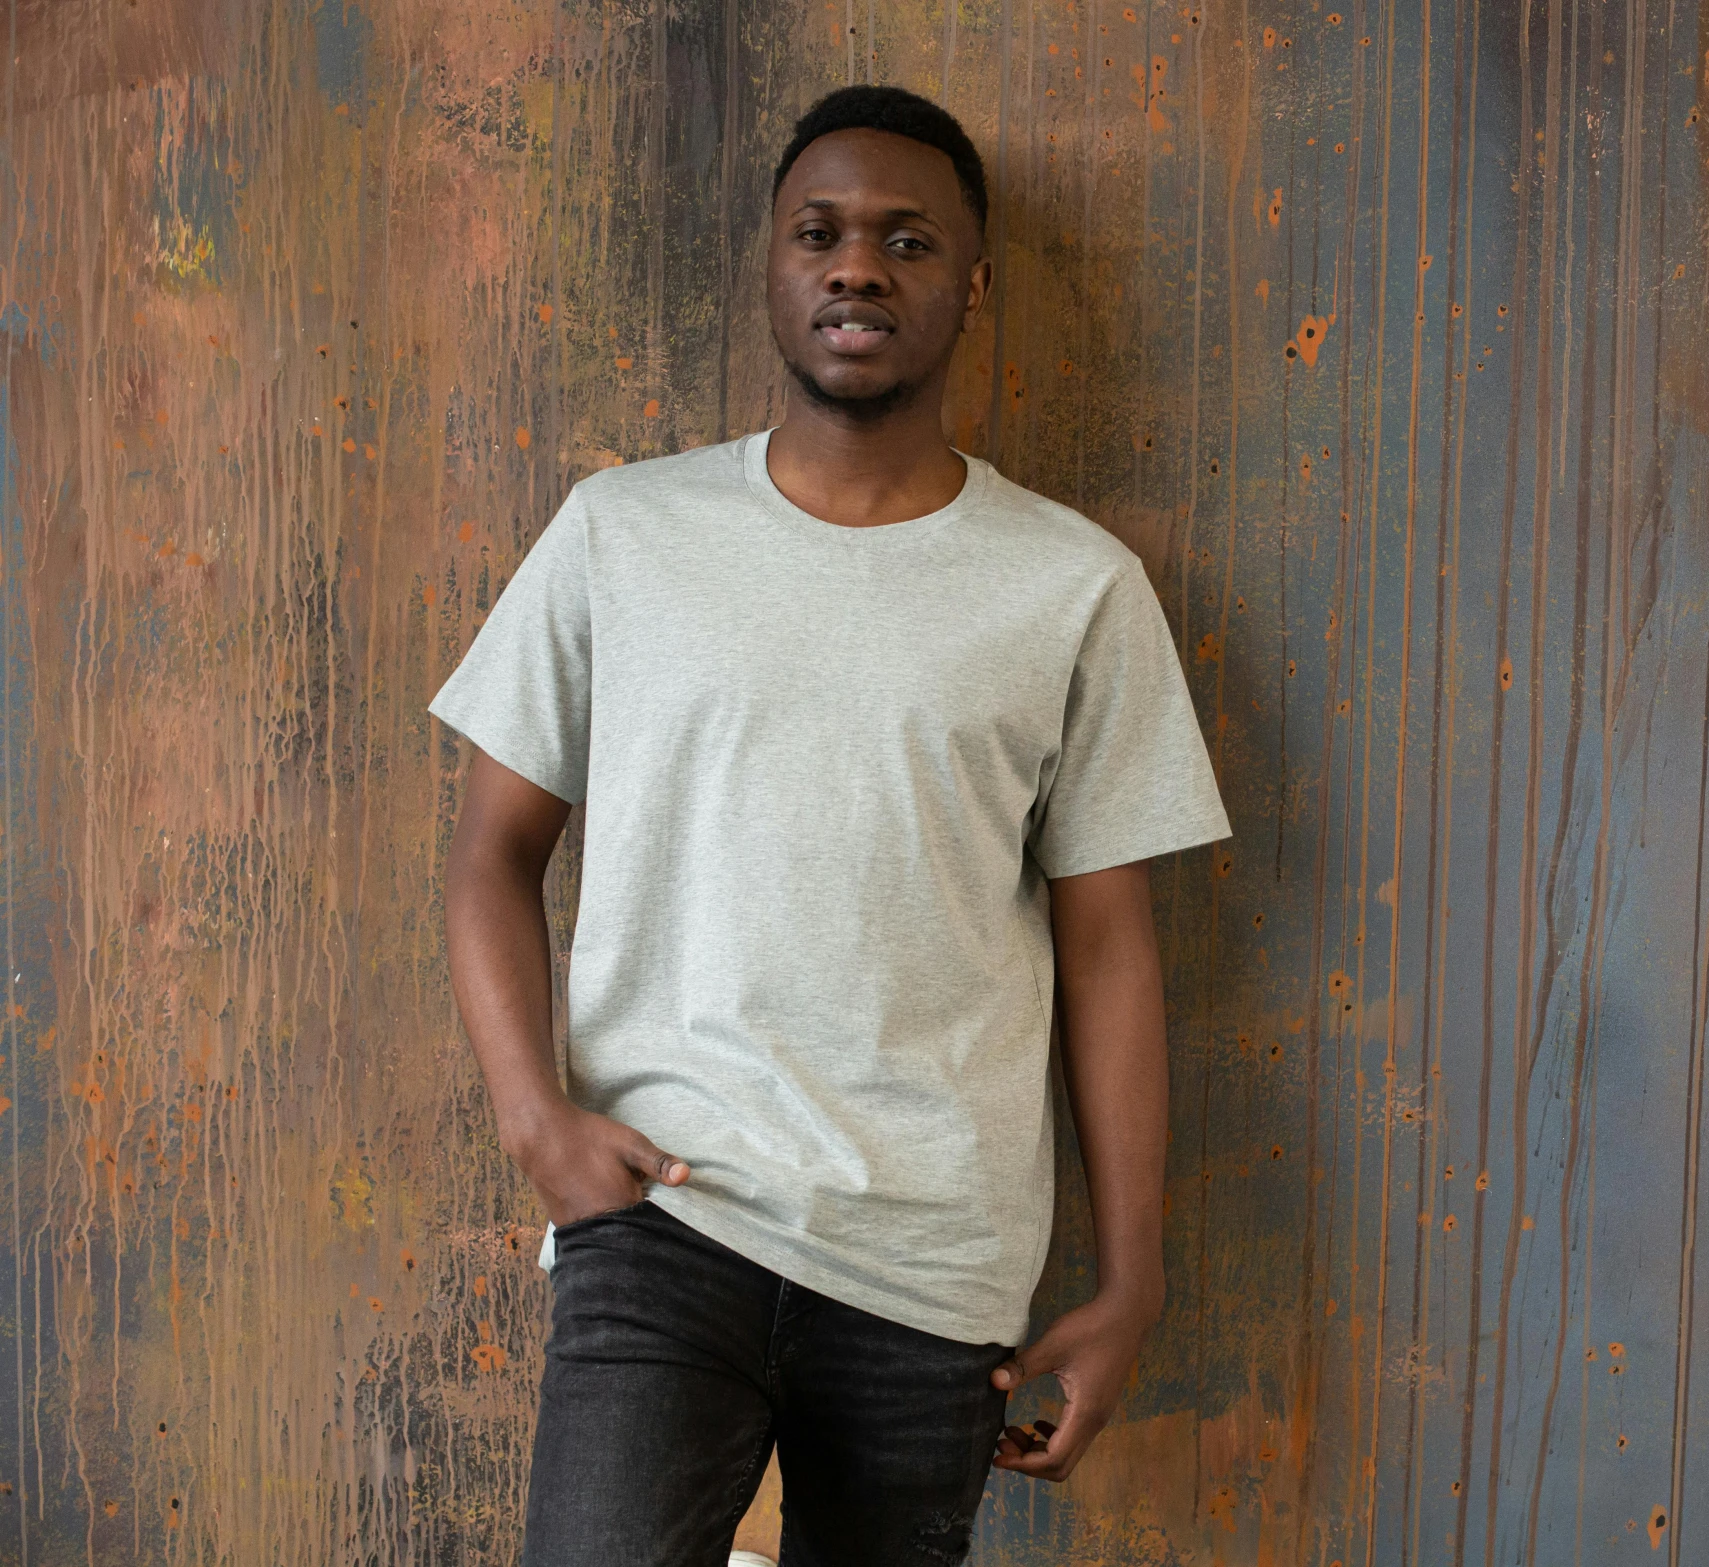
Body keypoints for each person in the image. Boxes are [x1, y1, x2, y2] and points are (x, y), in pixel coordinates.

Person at [431, 84, 1231, 1567]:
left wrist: (1131, 1280)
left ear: (969, 287)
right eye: (823, 233)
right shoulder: (624, 530)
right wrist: (533, 1118)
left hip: (934, 1259)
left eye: (908, 240)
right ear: (775, 267)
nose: (859, 265)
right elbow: (490, 850)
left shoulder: (1075, 586)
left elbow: (1110, 950)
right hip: (667, 1212)